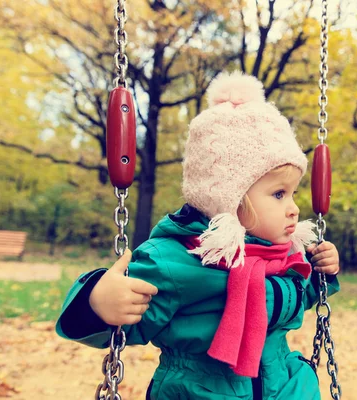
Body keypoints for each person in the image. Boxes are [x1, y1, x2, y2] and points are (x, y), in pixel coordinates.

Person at [56, 71, 341, 399]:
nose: (293, 208)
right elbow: (124, 326)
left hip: (283, 385)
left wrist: (322, 273)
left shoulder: (284, 256)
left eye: (293, 193)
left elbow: (298, 298)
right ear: (230, 198)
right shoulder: (174, 262)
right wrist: (96, 303)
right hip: (199, 388)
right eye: (279, 194)